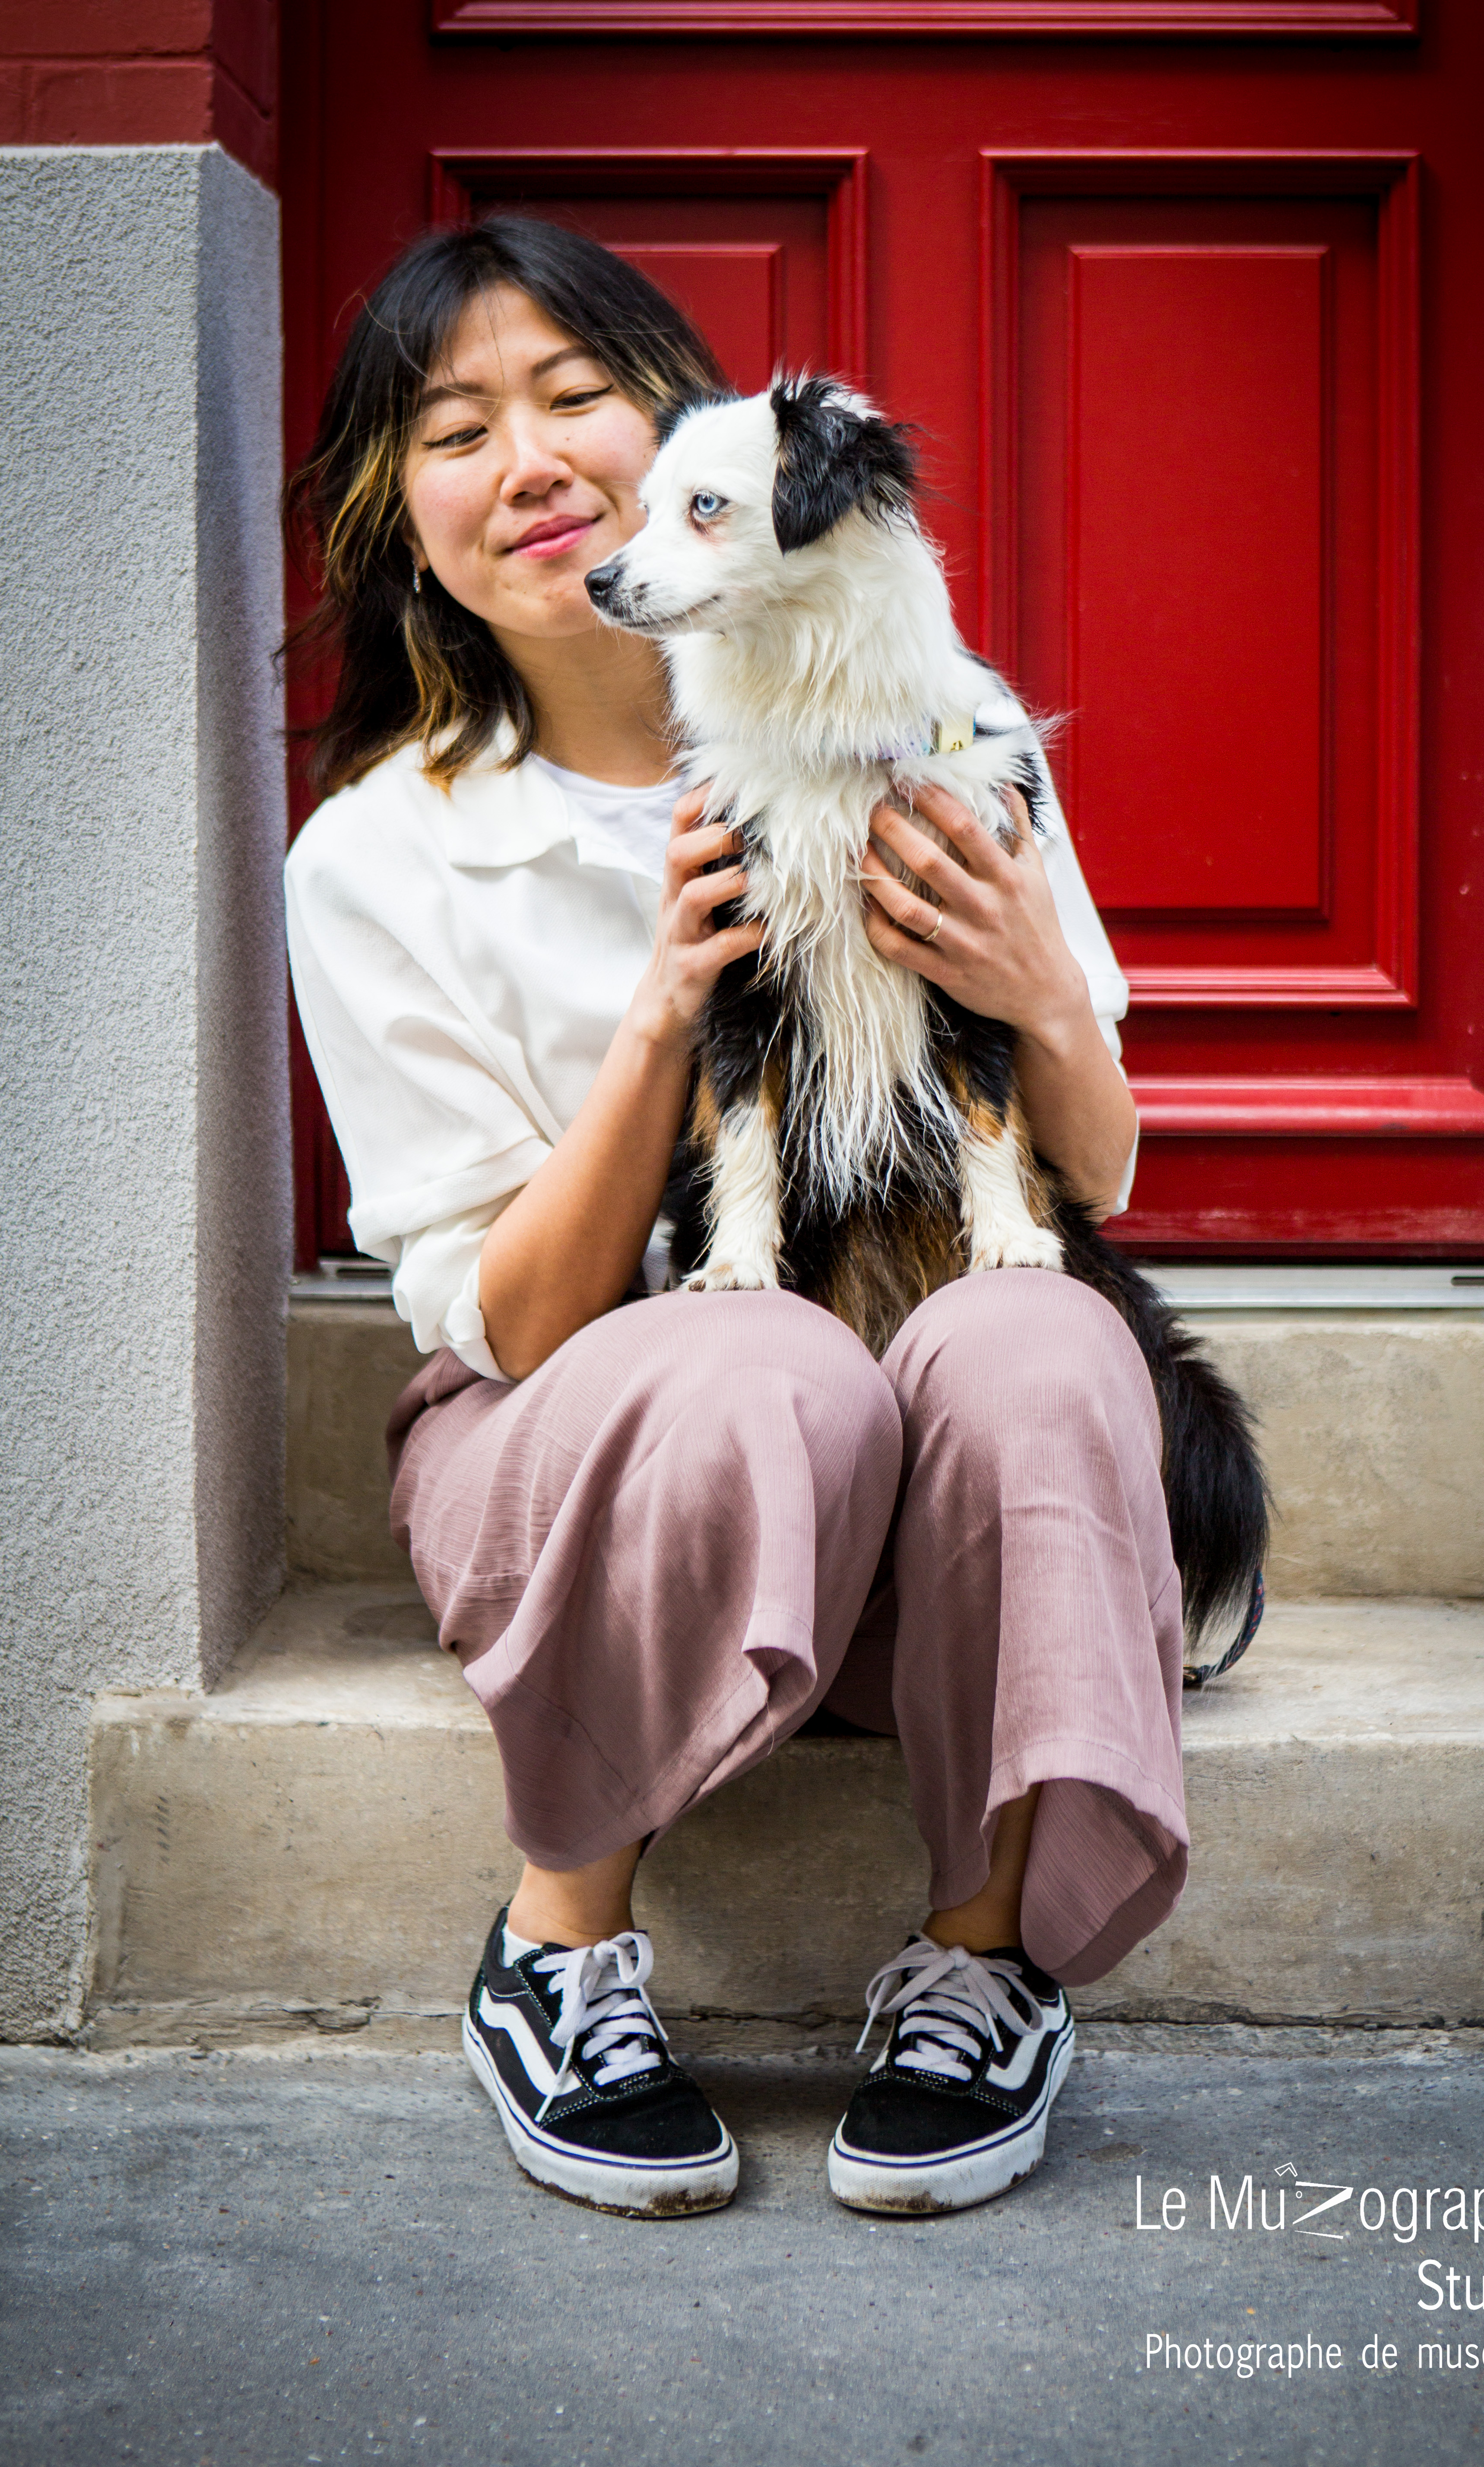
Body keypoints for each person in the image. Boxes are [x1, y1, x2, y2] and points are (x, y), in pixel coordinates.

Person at [284, 215, 1189, 2223]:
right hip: (597, 1455)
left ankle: (984, 1961)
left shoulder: (943, 724)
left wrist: (1041, 993)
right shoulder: (387, 852)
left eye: (575, 396)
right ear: (397, 512)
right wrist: (656, 1031)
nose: (524, 459)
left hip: (910, 1473)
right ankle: (555, 1943)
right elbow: (509, 1327)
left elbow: (1096, 1176)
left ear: (705, 444)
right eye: (450, 429)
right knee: (753, 1350)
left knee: (1048, 1334)